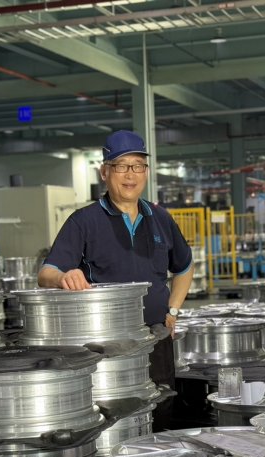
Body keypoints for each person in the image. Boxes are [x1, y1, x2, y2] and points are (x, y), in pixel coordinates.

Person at [38, 130, 194, 430]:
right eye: (121, 166)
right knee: (112, 419)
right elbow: (46, 274)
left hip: (155, 338)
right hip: (105, 347)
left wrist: (173, 310)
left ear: (146, 171)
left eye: (138, 166)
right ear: (105, 172)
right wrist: (64, 276)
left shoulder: (160, 218)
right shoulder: (84, 221)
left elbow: (184, 268)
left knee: (161, 412)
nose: (130, 174)